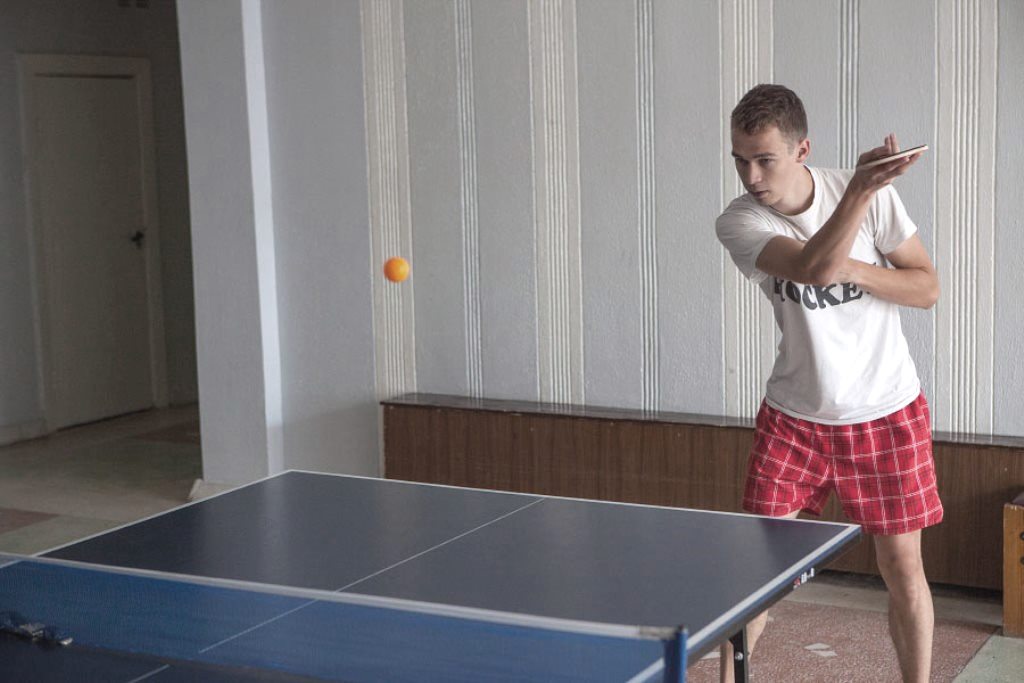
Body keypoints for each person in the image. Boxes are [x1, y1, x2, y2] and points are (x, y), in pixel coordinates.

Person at [715, 84, 942, 683]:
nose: (751, 175)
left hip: (887, 412)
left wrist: (859, 256)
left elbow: (926, 288)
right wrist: (861, 195)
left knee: (903, 569)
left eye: (765, 159)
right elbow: (812, 269)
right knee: (757, 576)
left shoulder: (869, 193)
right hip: (794, 419)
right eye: (740, 159)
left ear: (802, 150)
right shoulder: (741, 220)